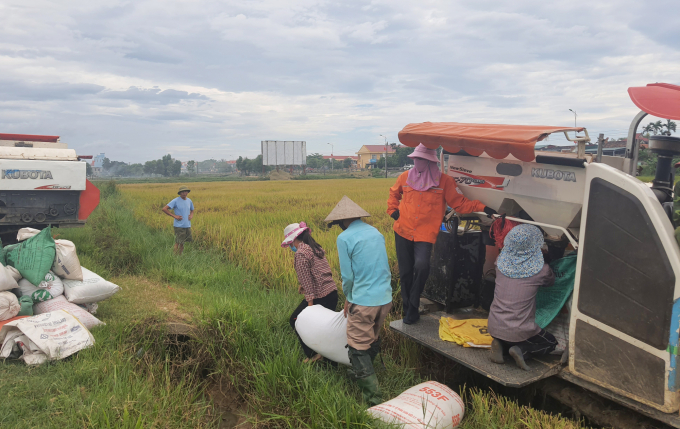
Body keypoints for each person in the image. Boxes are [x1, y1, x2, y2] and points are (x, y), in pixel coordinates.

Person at [387, 143, 496, 324]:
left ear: (430, 161)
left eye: (420, 159)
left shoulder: (444, 181)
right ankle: (410, 311)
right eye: (415, 158)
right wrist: (392, 210)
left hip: (424, 233)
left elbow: (459, 204)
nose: (416, 162)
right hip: (402, 230)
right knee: (406, 273)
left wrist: (483, 207)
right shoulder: (405, 177)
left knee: (422, 266)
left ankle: (413, 302)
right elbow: (393, 193)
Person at [325, 196, 393, 406]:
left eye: (338, 225)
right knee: (372, 336)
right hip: (385, 298)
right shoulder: (375, 232)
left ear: (343, 221)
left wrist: (349, 297)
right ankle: (366, 373)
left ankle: (373, 400)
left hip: (364, 300)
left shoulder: (344, 238)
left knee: (357, 347)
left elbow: (348, 276)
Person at [488, 224, 557, 371]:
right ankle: (522, 350)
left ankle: (500, 344)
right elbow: (550, 281)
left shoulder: (500, 262)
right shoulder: (542, 271)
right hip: (521, 330)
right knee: (550, 342)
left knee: (509, 336)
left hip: (494, 324)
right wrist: (544, 257)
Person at [282, 222, 339, 363]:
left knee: (296, 320)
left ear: (294, 239)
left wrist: (310, 307)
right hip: (332, 294)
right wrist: (304, 287)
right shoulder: (315, 248)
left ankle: (313, 354)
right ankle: (329, 357)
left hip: (320, 297)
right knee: (325, 328)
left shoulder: (300, 254)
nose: (290, 247)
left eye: (290, 243)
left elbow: (308, 285)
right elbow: (320, 274)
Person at [162, 186, 195, 255]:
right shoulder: (175, 200)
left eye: (185, 191)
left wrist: (191, 215)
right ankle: (175, 256)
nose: (184, 193)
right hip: (179, 225)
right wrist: (174, 216)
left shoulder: (189, 200)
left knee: (183, 242)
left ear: (187, 192)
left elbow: (192, 209)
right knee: (178, 242)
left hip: (187, 225)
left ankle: (180, 255)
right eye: (182, 192)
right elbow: (164, 209)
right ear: (180, 193)